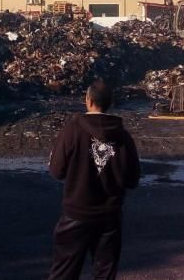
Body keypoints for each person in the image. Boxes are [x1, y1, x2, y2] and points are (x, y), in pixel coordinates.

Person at [47, 81, 141, 280]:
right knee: (104, 273)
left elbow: (57, 171)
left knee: (63, 273)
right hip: (109, 217)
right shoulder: (123, 137)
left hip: (76, 214)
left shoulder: (71, 131)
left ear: (88, 101)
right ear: (110, 103)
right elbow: (132, 179)